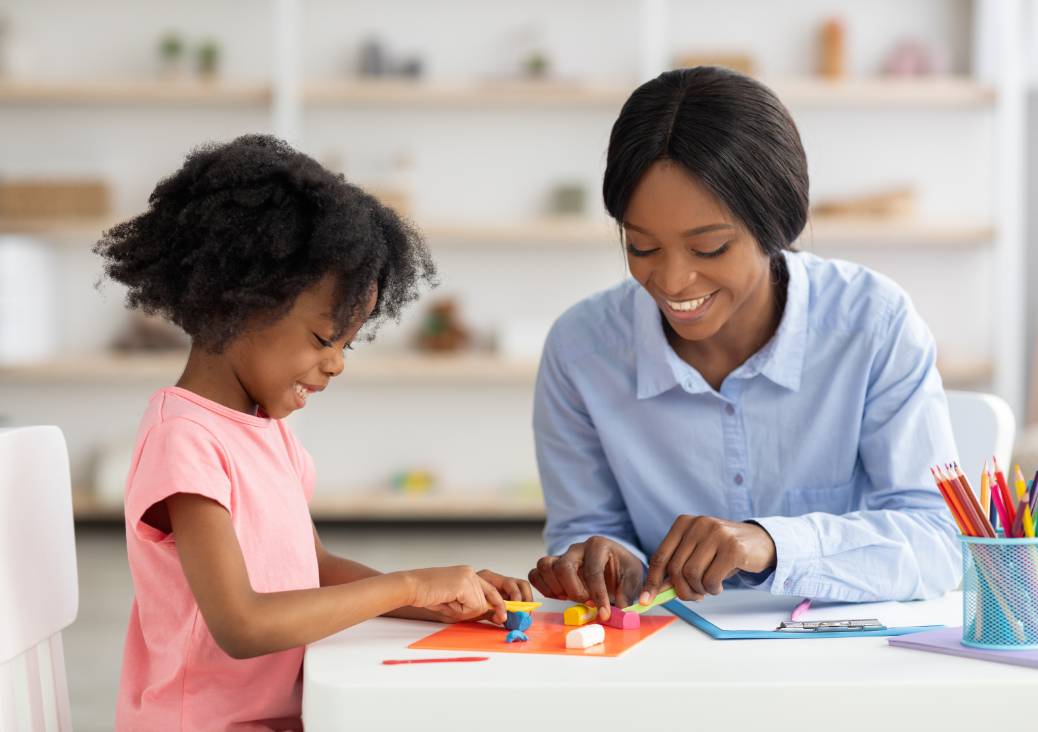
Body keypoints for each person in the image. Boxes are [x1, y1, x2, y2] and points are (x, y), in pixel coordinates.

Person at [97, 135, 532, 731]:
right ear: (238, 305)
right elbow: (243, 624)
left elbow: (314, 567)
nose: (338, 364)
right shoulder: (185, 440)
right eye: (325, 339)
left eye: (348, 345)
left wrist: (436, 600)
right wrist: (411, 582)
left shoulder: (265, 430)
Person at [527, 67, 960, 620]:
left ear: (777, 225)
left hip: (838, 659)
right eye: (641, 246)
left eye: (709, 249)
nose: (673, 280)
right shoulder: (581, 350)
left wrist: (771, 542)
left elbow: (938, 542)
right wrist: (606, 563)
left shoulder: (872, 324)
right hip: (663, 663)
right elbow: (588, 530)